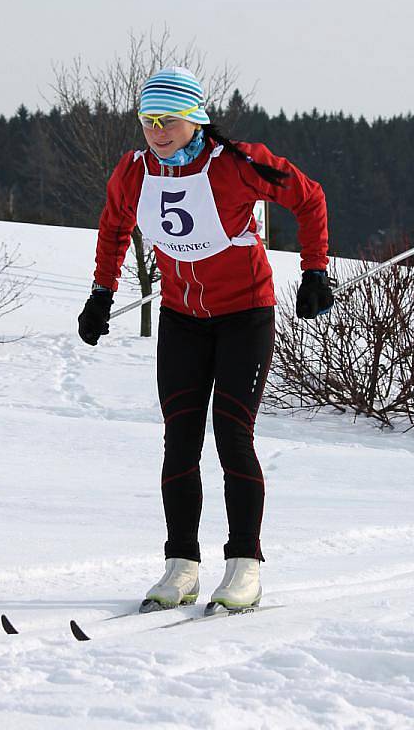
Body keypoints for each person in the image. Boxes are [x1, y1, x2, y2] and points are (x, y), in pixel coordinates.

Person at [78, 66, 334, 615]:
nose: (157, 131)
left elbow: (308, 197)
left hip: (245, 316)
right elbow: (113, 226)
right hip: (181, 319)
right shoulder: (133, 172)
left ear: (194, 117)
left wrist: (315, 270)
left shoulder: (236, 164)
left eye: (167, 119)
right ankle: (182, 566)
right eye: (148, 121)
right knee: (180, 438)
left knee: (232, 433)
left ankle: (244, 567)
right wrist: (102, 293)